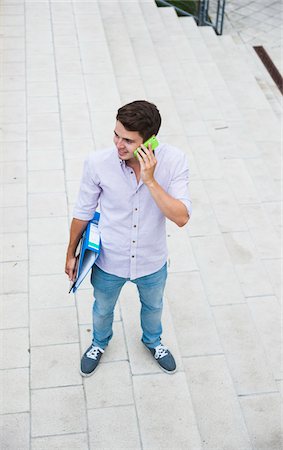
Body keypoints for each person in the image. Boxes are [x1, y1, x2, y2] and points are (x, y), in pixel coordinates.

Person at [65, 100, 192, 376]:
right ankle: (99, 343)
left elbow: (181, 217)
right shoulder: (98, 163)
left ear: (151, 142)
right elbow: (82, 212)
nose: (118, 145)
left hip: (152, 261)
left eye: (128, 140)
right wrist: (70, 254)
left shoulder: (174, 161)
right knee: (102, 308)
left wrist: (150, 180)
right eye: (116, 135)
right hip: (110, 260)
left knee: (153, 306)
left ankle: (153, 341)